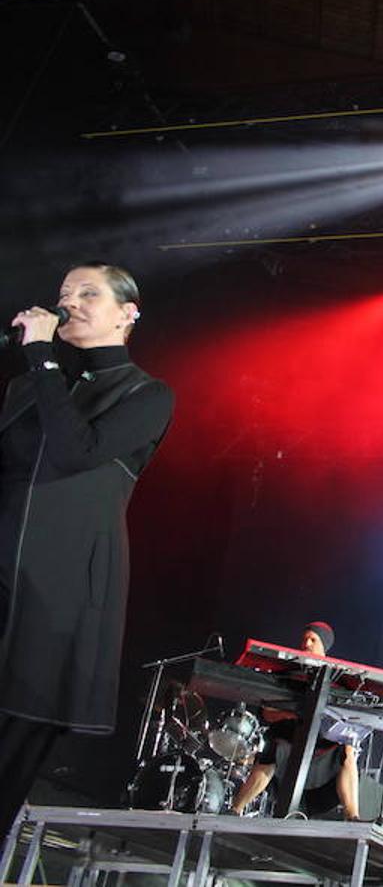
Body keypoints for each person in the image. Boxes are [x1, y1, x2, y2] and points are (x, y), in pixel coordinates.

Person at [0, 263, 174, 833]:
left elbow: (78, 450)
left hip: (60, 597)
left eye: (87, 294)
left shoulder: (146, 395)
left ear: (129, 314)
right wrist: (41, 367)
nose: (69, 303)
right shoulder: (30, 386)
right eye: (63, 294)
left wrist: (43, 357)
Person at [228, 621, 363, 820]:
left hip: (322, 748)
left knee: (348, 750)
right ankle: (235, 810)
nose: (306, 644)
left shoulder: (338, 679)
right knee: (272, 750)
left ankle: (353, 817)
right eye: (304, 639)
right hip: (287, 743)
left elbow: (348, 716)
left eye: (313, 640)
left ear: (323, 646)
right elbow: (266, 713)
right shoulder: (287, 673)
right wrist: (291, 714)